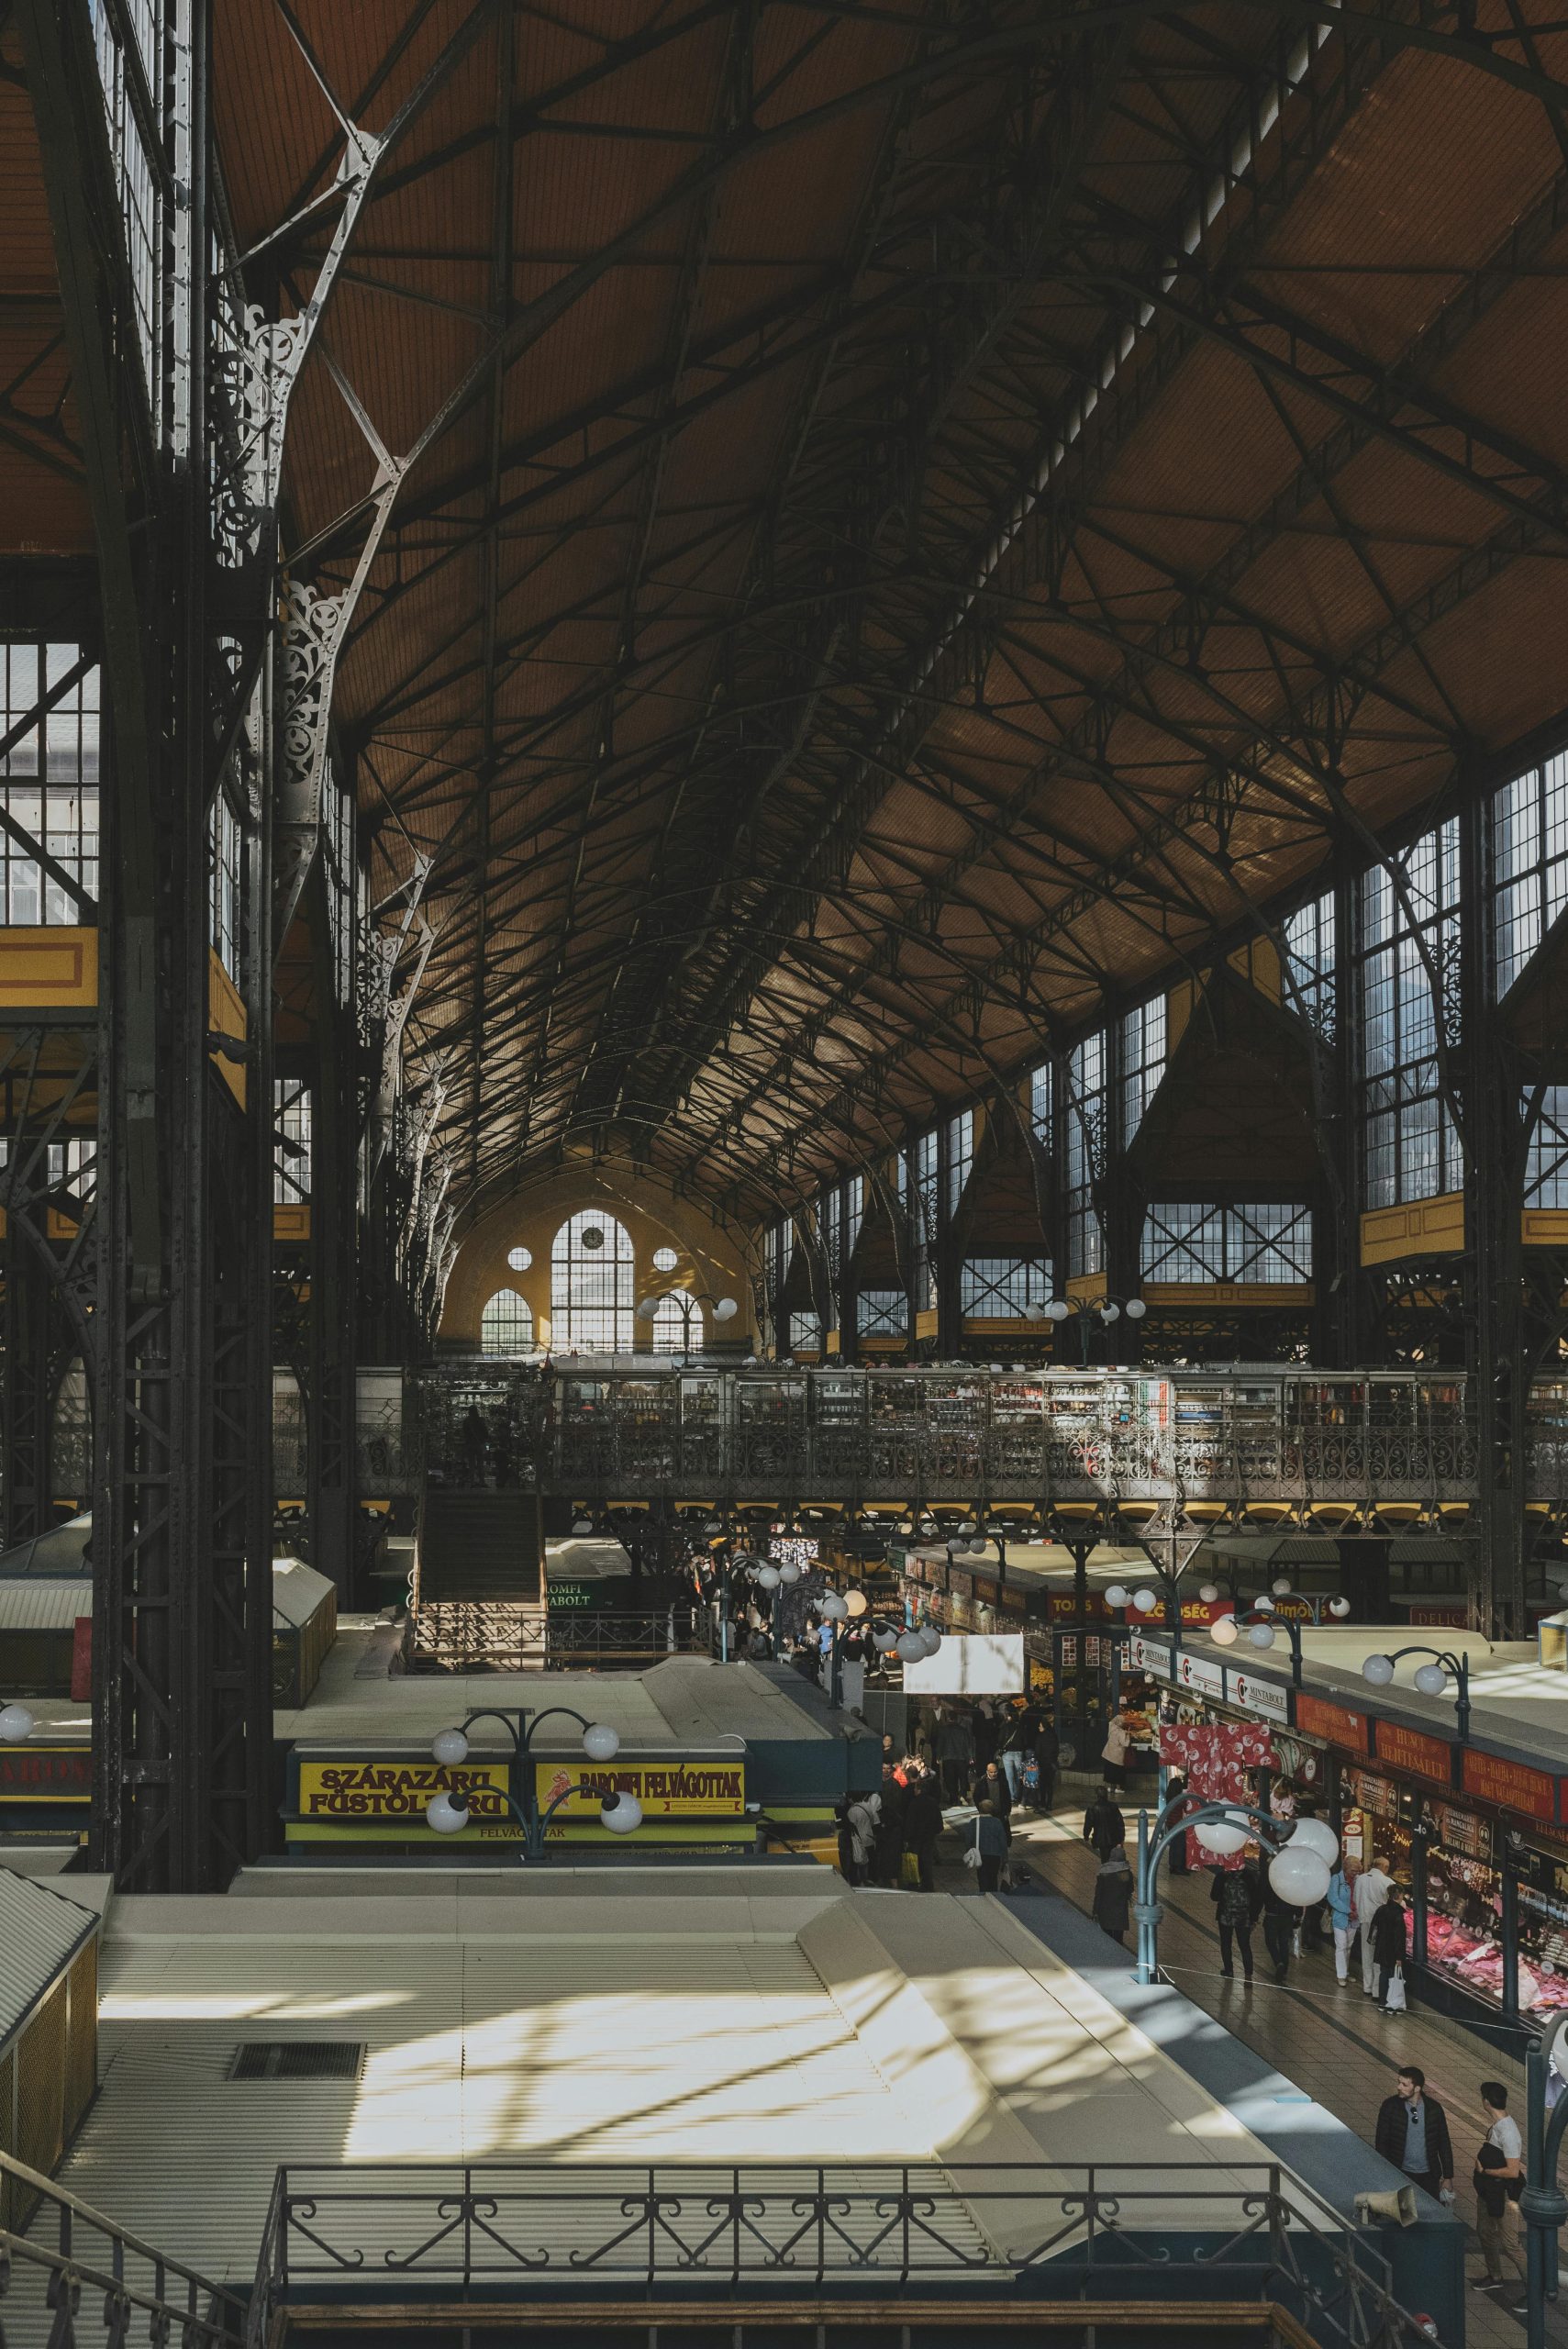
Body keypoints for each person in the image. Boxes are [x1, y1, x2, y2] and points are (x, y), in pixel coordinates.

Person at [1473, 2082, 1526, 2299]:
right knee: (1485, 2232)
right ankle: (1495, 2276)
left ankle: (1534, 2289)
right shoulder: (1496, 2126)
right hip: (1489, 2192)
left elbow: (1513, 2172)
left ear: (1486, 2101)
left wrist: (1486, 2171)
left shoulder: (1509, 2132)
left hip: (1504, 2195)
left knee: (1511, 2243)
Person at [1373, 2067, 1453, 2205]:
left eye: (1404, 2085)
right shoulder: (1390, 2107)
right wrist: (1385, 2171)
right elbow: (1381, 2143)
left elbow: (1444, 2143)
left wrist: (1448, 2177)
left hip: (1429, 2176)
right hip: (1400, 2172)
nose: (1399, 2087)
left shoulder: (1434, 2109)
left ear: (1417, 2088)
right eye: (1399, 2082)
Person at [1212, 1860, 1262, 1981]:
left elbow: (1214, 1896)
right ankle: (1248, 1975)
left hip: (1225, 1916)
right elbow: (1256, 1898)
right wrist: (1254, 1917)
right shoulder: (1249, 1876)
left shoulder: (1222, 1876)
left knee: (1226, 1944)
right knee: (1244, 1946)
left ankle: (1229, 1970)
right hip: (1244, 1917)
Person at [1354, 1854, 1395, 1998]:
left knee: (1367, 1954)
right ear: (1384, 1867)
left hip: (1365, 1922)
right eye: (1387, 1867)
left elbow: (1356, 1898)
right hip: (1381, 1924)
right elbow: (1394, 1903)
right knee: (1379, 1955)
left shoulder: (1360, 1879)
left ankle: (1367, 1986)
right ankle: (1377, 1991)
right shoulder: (1387, 1882)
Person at [902, 1765, 943, 1892]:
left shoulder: (915, 1804)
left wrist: (907, 1837)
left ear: (918, 1789)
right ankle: (927, 1884)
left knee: (915, 1861)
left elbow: (910, 1821)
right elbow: (938, 1822)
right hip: (929, 1837)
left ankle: (914, 1883)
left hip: (916, 1838)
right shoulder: (933, 1802)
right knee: (927, 1861)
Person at [1371, 1890, 1408, 2010]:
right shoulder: (1398, 1914)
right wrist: (1399, 1957)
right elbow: (1399, 1938)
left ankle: (1382, 2002)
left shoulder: (1381, 1909)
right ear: (1400, 1896)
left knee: (1383, 1974)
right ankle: (1391, 2003)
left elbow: (1374, 1928)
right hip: (1393, 1951)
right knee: (1393, 1978)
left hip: (1382, 1948)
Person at [1262, 1871, 1301, 1984]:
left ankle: (1279, 1963)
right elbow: (1297, 1900)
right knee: (1284, 1943)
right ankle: (1284, 1971)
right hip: (1287, 1917)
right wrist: (1298, 1916)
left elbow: (1262, 1896)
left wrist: (1254, 1916)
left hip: (1272, 1916)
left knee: (1270, 1942)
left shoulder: (1271, 1881)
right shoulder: (1292, 1885)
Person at [872, 1764, 906, 1887]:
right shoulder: (886, 1784)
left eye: (887, 1769)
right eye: (883, 1768)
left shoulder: (893, 1785)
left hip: (888, 1824)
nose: (885, 1771)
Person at [1092, 1842, 1133, 1944]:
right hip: (1120, 1910)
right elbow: (1130, 1889)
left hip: (1105, 1909)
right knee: (1118, 1939)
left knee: (1106, 1937)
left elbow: (1098, 1893)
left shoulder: (1104, 1872)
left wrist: (1095, 1911)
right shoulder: (1126, 1873)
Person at [935, 1705, 975, 1803]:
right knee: (962, 1777)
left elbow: (940, 1744)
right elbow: (968, 1744)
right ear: (957, 1719)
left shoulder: (943, 1730)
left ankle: (953, 1797)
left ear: (948, 1718)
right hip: (961, 1757)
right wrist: (971, 1757)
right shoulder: (963, 1730)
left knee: (950, 1778)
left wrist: (938, 1756)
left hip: (948, 1757)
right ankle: (963, 1795)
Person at [1327, 1861, 1355, 1984]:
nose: (1355, 1873)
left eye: (1358, 1871)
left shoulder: (1357, 1881)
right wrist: (1348, 1911)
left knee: (1348, 1946)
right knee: (1341, 1946)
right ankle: (1341, 1975)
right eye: (1353, 1871)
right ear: (1346, 1868)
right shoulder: (1336, 1879)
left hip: (1354, 1919)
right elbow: (1333, 1898)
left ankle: (1346, 1971)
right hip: (1340, 1918)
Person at [972, 1799, 1009, 1893]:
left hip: (980, 1854)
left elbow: (969, 1839)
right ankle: (993, 1896)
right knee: (993, 1878)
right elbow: (1002, 1841)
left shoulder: (974, 1822)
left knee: (982, 1878)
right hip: (995, 1856)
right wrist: (1005, 1857)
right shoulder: (997, 1822)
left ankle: (983, 1896)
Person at [1084, 1784, 1125, 1861]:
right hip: (1114, 1837)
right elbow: (1120, 1824)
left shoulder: (1092, 1808)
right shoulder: (1113, 1806)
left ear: (1097, 1795)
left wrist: (1086, 1836)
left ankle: (1106, 1871)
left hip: (1100, 1838)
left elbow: (1088, 1824)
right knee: (1113, 1858)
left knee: (1104, 1858)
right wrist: (1121, 1838)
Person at [1163, 1770, 1191, 1876]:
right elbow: (1187, 1808)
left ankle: (1173, 1866)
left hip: (1171, 1824)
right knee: (1180, 1845)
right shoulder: (1179, 1799)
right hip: (1178, 1825)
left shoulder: (1170, 1796)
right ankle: (1178, 1867)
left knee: (1174, 1845)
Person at [972, 1758, 1012, 1822]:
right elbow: (976, 1796)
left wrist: (1008, 1811)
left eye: (995, 1772)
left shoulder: (1003, 1781)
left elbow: (1007, 1796)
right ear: (987, 1772)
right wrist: (981, 1809)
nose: (993, 1774)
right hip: (987, 1813)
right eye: (991, 1772)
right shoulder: (981, 1782)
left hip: (1001, 1812)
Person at [1101, 1711, 1131, 1791]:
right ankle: (1118, 1788)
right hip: (1117, 1756)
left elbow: (1111, 1722)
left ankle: (1109, 1787)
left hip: (1108, 1754)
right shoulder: (1121, 1732)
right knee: (1118, 1772)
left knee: (1109, 1771)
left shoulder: (1111, 1728)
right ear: (1121, 1723)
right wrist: (1128, 1735)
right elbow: (1125, 1744)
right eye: (1123, 1722)